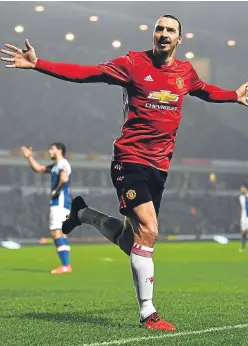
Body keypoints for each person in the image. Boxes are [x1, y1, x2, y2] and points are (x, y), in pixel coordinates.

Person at [1, 14, 248, 331]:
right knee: (150, 229)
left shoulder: (185, 72)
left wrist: (234, 95)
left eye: (170, 30)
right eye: (159, 28)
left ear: (179, 39)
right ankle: (148, 312)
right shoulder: (132, 63)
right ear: (153, 34)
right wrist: (39, 64)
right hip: (130, 160)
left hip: (160, 167)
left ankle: (84, 214)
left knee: (133, 240)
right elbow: (87, 73)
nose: (163, 33)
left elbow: (204, 90)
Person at [21, 143, 72, 274]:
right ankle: (66, 265)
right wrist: (29, 157)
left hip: (59, 202)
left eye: (51, 149)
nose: (49, 151)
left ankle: (65, 265)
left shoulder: (63, 164)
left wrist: (56, 190)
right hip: (62, 202)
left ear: (59, 150)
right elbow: (38, 169)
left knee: (55, 231)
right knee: (61, 232)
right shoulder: (56, 166)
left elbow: (64, 178)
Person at [239, 182, 248, 252]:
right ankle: (243, 246)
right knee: (243, 232)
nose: (241, 189)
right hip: (244, 216)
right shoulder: (241, 197)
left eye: (242, 187)